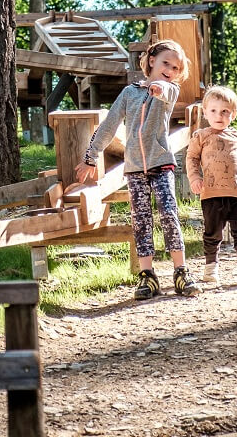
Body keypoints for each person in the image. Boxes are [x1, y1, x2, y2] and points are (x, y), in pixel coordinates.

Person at [75, 39, 201, 300]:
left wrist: (158, 88)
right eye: (166, 63)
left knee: (168, 213)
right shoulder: (128, 93)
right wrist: (90, 156)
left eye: (176, 68)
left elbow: (164, 91)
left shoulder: (170, 90)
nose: (170, 69)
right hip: (134, 169)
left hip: (161, 163)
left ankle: (181, 271)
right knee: (141, 220)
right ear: (151, 60)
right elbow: (109, 125)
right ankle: (147, 277)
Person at [185, 84, 237, 283]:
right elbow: (191, 159)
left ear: (233, 114)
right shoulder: (201, 137)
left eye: (224, 111)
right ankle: (211, 266)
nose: (219, 115)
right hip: (212, 194)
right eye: (213, 111)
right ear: (205, 112)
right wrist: (195, 178)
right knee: (213, 232)